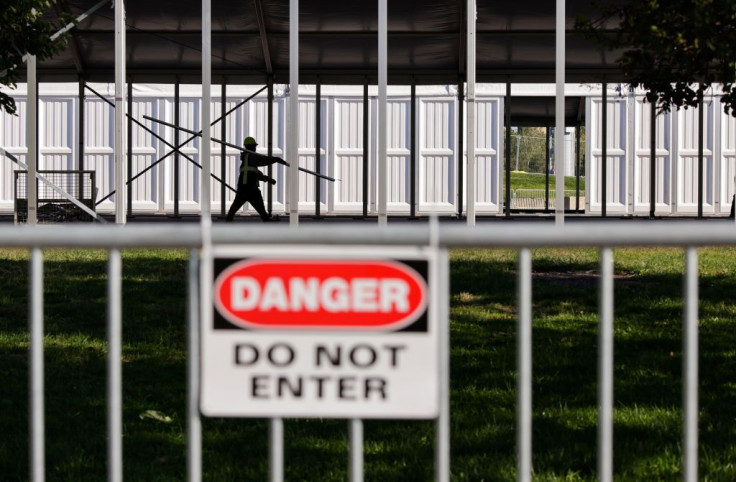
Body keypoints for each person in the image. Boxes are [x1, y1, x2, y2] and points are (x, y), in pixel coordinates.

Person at [226, 136, 281, 222]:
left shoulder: (246, 160)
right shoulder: (250, 156)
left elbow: (255, 174)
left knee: (236, 205)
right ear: (250, 146)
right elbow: (263, 160)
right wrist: (276, 159)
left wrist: (268, 179)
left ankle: (229, 219)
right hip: (250, 188)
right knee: (258, 205)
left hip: (244, 188)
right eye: (254, 146)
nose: (255, 148)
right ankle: (266, 219)